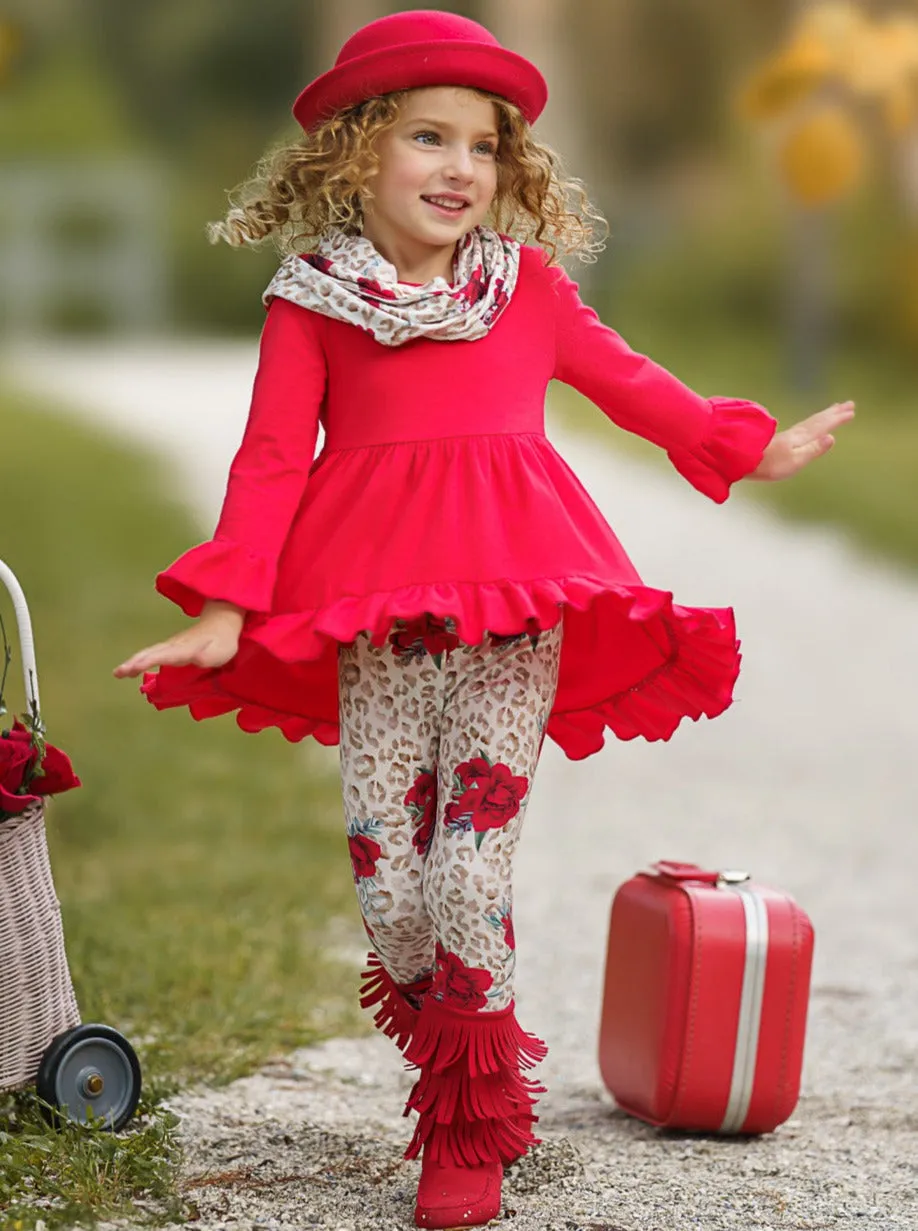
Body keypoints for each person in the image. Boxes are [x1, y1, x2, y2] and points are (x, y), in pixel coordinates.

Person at [113, 10, 854, 1228]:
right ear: (355, 155)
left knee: (466, 870)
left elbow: (635, 385)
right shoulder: (310, 305)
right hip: (375, 620)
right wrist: (224, 604)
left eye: (485, 145)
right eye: (427, 137)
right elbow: (264, 464)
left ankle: (471, 1131)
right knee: (391, 888)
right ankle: (468, 1037)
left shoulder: (526, 291)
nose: (462, 166)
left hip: (518, 608)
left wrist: (746, 444)